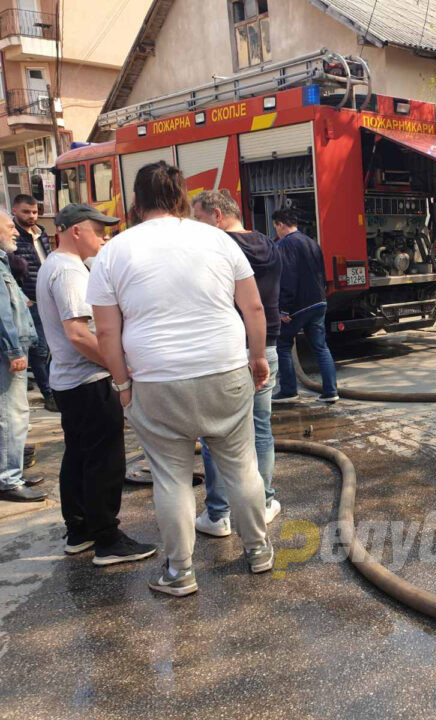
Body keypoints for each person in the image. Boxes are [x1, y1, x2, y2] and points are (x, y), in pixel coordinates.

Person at [87, 161, 273, 597]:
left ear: (135, 202)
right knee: (242, 466)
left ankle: (181, 572)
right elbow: (254, 309)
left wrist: (121, 384)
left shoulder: (113, 251)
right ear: (183, 199)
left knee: (170, 477)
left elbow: (108, 331)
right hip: (224, 370)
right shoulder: (217, 239)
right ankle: (260, 551)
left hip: (156, 379)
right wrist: (258, 357)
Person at [37, 204, 157, 563]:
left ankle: (80, 531)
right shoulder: (69, 271)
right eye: (98, 231)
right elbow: (78, 334)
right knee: (105, 460)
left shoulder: (56, 266)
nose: (105, 239)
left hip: (70, 381)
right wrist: (120, 368)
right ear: (76, 230)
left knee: (79, 456)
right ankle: (108, 539)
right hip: (88, 380)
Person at [192, 190, 282, 534]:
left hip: (227, 352)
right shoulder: (268, 244)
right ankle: (264, 500)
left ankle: (219, 513)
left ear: (216, 215)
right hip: (267, 346)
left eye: (198, 218)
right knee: (261, 429)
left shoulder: (216, 249)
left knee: (217, 435)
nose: (196, 227)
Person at [0, 210, 46, 502]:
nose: (15, 231)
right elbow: (1, 313)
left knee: (13, 415)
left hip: (12, 350)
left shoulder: (3, 262)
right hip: (8, 355)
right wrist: (14, 349)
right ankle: (8, 479)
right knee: (11, 416)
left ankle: (11, 470)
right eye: (8, 227)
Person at [272, 208, 338, 404]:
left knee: (282, 344)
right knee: (320, 347)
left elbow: (287, 277)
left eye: (276, 227)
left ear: (281, 224)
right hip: (319, 301)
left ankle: (288, 390)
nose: (277, 231)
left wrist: (283, 308)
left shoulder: (285, 244)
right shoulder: (311, 242)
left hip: (299, 305)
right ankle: (330, 391)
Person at [12, 194, 57, 412]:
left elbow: (46, 260)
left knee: (51, 347)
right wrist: (23, 298)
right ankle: (48, 393)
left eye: (34, 212)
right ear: (14, 211)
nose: (31, 216)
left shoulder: (41, 233)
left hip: (48, 296)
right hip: (30, 300)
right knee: (38, 348)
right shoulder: (12, 237)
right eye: (26, 212)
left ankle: (53, 388)